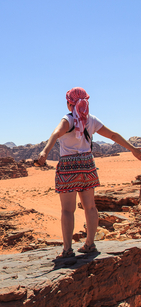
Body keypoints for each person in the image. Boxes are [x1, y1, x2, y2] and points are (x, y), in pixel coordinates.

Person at [37, 87, 141, 258]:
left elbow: (55, 134)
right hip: (87, 164)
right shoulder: (91, 120)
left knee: (67, 210)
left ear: (69, 103)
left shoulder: (68, 119)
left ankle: (67, 250)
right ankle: (90, 244)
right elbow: (113, 135)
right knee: (90, 206)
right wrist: (133, 149)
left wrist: (45, 152)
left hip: (68, 166)